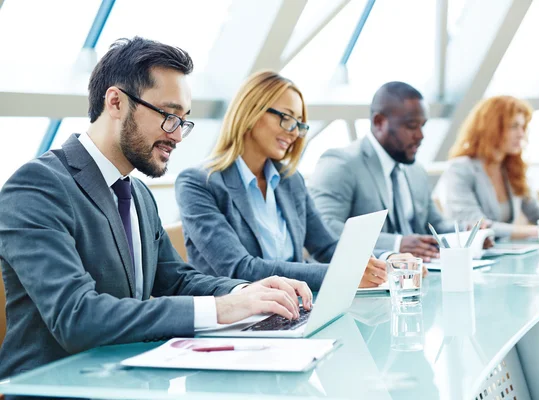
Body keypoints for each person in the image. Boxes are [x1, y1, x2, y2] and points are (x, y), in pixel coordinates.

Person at [0, 38, 312, 381]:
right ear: (116, 102)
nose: (177, 136)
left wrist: (245, 292)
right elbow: (77, 316)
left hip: (132, 377)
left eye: (183, 120)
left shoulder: (138, 194)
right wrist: (223, 309)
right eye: (168, 116)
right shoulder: (37, 186)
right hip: (54, 387)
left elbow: (177, 281)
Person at [175, 70, 397, 292]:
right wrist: (342, 274)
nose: (294, 133)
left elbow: (327, 246)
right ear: (251, 112)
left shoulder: (290, 181)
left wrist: (385, 261)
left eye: (299, 124)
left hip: (298, 306)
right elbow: (239, 268)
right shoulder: (198, 183)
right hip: (239, 317)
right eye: (287, 118)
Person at [309, 82, 456, 262]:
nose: (420, 135)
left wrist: (471, 231)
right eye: (411, 126)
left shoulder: (416, 170)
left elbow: (436, 225)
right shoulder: (341, 164)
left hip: (419, 274)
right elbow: (325, 228)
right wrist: (396, 244)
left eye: (422, 126)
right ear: (379, 122)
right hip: (370, 280)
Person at [438, 95, 539, 239]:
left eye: (523, 127)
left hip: (506, 253)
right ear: (491, 128)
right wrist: (538, 230)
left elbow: (538, 215)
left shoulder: (511, 167)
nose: (521, 134)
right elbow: (477, 226)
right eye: (514, 126)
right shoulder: (460, 169)